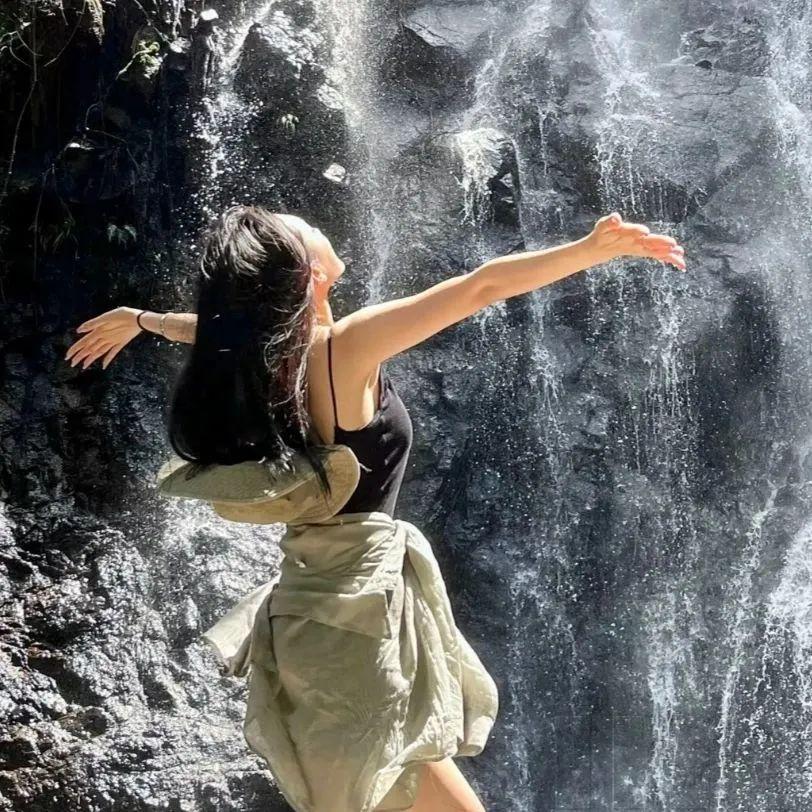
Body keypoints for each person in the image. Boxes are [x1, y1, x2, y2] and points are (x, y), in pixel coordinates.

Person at [64, 206, 685, 811]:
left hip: (322, 617)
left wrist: (143, 320)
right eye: (303, 228)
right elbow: (481, 287)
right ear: (310, 271)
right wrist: (589, 250)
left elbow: (216, 327)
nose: (312, 220)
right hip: (358, 630)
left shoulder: (268, 358)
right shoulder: (345, 350)